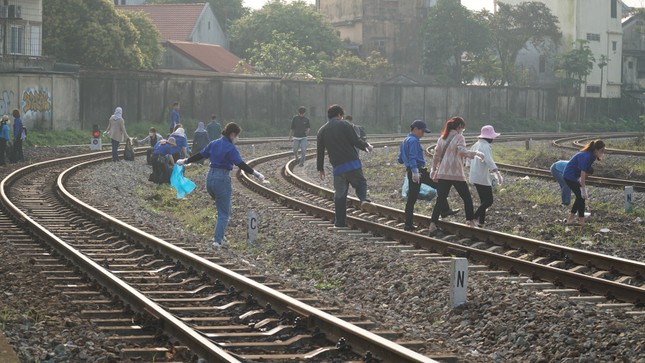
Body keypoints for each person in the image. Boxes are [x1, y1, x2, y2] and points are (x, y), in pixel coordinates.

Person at [177, 122, 265, 249]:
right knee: (224, 213)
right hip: (222, 180)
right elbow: (240, 164)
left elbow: (200, 155)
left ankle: (221, 236)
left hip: (210, 179)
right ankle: (217, 241)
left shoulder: (214, 143)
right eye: (237, 136)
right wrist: (256, 174)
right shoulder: (230, 148)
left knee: (226, 209)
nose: (237, 138)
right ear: (232, 134)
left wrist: (185, 160)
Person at [316, 104, 375, 228]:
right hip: (352, 164)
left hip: (338, 168)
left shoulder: (321, 131)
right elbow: (355, 140)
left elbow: (320, 151)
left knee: (340, 195)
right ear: (339, 115)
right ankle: (364, 199)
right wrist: (366, 146)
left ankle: (340, 222)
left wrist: (320, 168)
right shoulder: (344, 124)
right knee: (360, 183)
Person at [398, 120, 458, 231]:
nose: (423, 134)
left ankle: (408, 224)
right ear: (415, 129)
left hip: (412, 171)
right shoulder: (413, 141)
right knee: (440, 185)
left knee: (411, 199)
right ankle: (445, 210)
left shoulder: (405, 141)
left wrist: (411, 169)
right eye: (421, 131)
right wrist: (415, 171)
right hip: (418, 172)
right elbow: (412, 157)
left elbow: (400, 159)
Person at [428, 116, 484, 236]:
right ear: (459, 127)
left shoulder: (442, 138)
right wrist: (477, 154)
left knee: (441, 199)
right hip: (456, 173)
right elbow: (462, 152)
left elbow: (436, 156)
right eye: (462, 128)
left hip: (443, 173)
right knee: (467, 198)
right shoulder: (459, 137)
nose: (462, 131)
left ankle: (432, 224)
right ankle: (470, 221)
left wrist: (433, 170)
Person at [563, 139, 605, 227]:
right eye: (602, 151)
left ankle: (571, 218)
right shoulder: (587, 156)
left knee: (580, 197)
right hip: (569, 176)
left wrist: (582, 187)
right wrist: (583, 188)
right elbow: (583, 173)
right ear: (596, 149)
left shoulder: (592, 156)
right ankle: (580, 221)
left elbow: (584, 172)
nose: (602, 153)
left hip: (574, 176)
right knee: (581, 197)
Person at [468, 125, 503, 228]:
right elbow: (489, 160)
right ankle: (473, 218)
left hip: (474, 176)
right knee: (489, 200)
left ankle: (481, 222)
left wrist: (469, 167)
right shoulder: (486, 146)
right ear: (488, 137)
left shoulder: (475, 144)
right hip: (482, 177)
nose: (493, 139)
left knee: (483, 200)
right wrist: (497, 173)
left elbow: (468, 159)